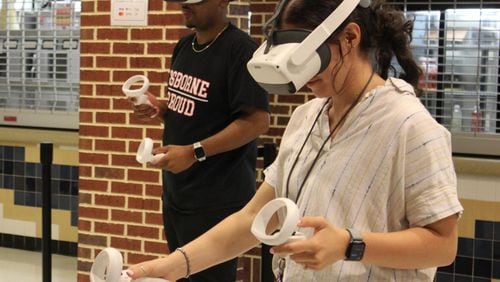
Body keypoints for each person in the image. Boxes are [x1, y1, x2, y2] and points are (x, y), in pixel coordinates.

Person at [127, 0, 463, 281]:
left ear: (350, 37)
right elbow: (253, 218)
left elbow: (442, 244)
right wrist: (170, 268)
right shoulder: (306, 119)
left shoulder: (411, 128)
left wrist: (350, 244)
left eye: (308, 57)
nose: (300, 76)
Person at [130, 0, 270, 281]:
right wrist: (162, 108)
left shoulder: (241, 50)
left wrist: (194, 152)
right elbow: (197, 107)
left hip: (217, 198)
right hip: (178, 193)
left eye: (195, 2)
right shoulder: (184, 46)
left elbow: (256, 121)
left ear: (222, 2)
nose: (184, 5)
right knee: (177, 273)